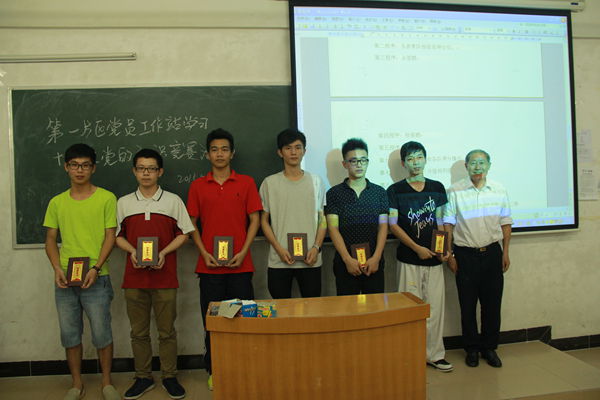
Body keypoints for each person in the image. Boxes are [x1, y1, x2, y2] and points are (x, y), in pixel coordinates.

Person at [186, 128, 262, 391]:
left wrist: (243, 251)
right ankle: (215, 370)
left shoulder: (246, 183)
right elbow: (191, 223)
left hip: (241, 265)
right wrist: (203, 253)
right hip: (209, 268)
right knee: (213, 323)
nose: (220, 154)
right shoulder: (198, 186)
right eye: (214, 149)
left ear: (232, 153)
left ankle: (244, 369)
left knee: (244, 319)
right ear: (207, 154)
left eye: (224, 149)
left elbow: (255, 220)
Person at [115, 149, 194, 399]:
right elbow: (117, 236)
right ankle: (143, 377)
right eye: (141, 168)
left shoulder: (173, 201)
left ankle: (169, 376)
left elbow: (185, 234)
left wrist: (163, 253)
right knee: (138, 332)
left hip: (165, 277)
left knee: (166, 331)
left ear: (160, 172)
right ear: (134, 171)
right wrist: (133, 252)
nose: (146, 173)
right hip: (134, 278)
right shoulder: (123, 202)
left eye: (151, 168)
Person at [43, 143, 120, 400]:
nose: (80, 170)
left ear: (93, 168)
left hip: (97, 276)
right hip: (66, 279)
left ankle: (106, 383)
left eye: (85, 165)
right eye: (75, 165)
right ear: (66, 167)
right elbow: (50, 239)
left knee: (102, 333)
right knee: (70, 334)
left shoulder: (107, 198)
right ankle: (76, 384)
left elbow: (111, 236)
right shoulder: (57, 202)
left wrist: (96, 267)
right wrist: (57, 268)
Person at [387, 141, 453, 372]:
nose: (415, 162)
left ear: (425, 159)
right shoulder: (394, 190)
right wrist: (416, 248)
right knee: (409, 309)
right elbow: (393, 225)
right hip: (408, 258)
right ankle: (410, 356)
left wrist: (445, 249)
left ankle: (435, 355)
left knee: (435, 309)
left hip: (434, 259)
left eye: (419, 157)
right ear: (403, 163)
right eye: (410, 159)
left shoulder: (437, 187)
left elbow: (441, 221)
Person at [444, 149, 512, 368]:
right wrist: (450, 254)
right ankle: (472, 349)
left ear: (489, 165)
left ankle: (489, 348)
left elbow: (506, 223)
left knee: (492, 305)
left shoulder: (499, 190)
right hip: (465, 255)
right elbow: (448, 224)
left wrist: (505, 252)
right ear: (466, 166)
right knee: (467, 305)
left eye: (482, 162)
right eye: (473, 163)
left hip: (492, 253)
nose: (478, 167)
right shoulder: (455, 191)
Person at [259, 128, 327, 299]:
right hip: (279, 260)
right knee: (281, 310)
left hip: (310, 260)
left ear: (304, 151)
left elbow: (323, 219)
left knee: (312, 309)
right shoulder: (269, 183)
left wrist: (316, 248)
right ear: (280, 152)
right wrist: (278, 248)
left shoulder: (316, 181)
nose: (294, 152)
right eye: (288, 148)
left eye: (298, 147)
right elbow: (264, 221)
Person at [325, 138, 388, 295]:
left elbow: (383, 226)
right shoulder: (334, 193)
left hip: (374, 262)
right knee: (348, 308)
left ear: (368, 162)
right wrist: (347, 259)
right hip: (345, 263)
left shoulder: (379, 192)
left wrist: (376, 258)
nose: (359, 165)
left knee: (375, 307)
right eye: (353, 161)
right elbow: (333, 228)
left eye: (363, 160)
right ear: (344, 164)